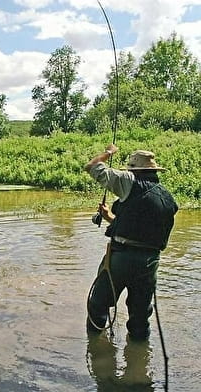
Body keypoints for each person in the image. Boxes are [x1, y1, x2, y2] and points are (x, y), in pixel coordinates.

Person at [84, 144, 178, 340]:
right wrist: (110, 217)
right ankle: (139, 357)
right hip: (150, 262)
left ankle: (96, 349)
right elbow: (141, 229)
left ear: (134, 170)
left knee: (98, 304)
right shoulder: (167, 198)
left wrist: (109, 152)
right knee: (140, 315)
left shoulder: (130, 181)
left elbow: (92, 166)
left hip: (122, 258)